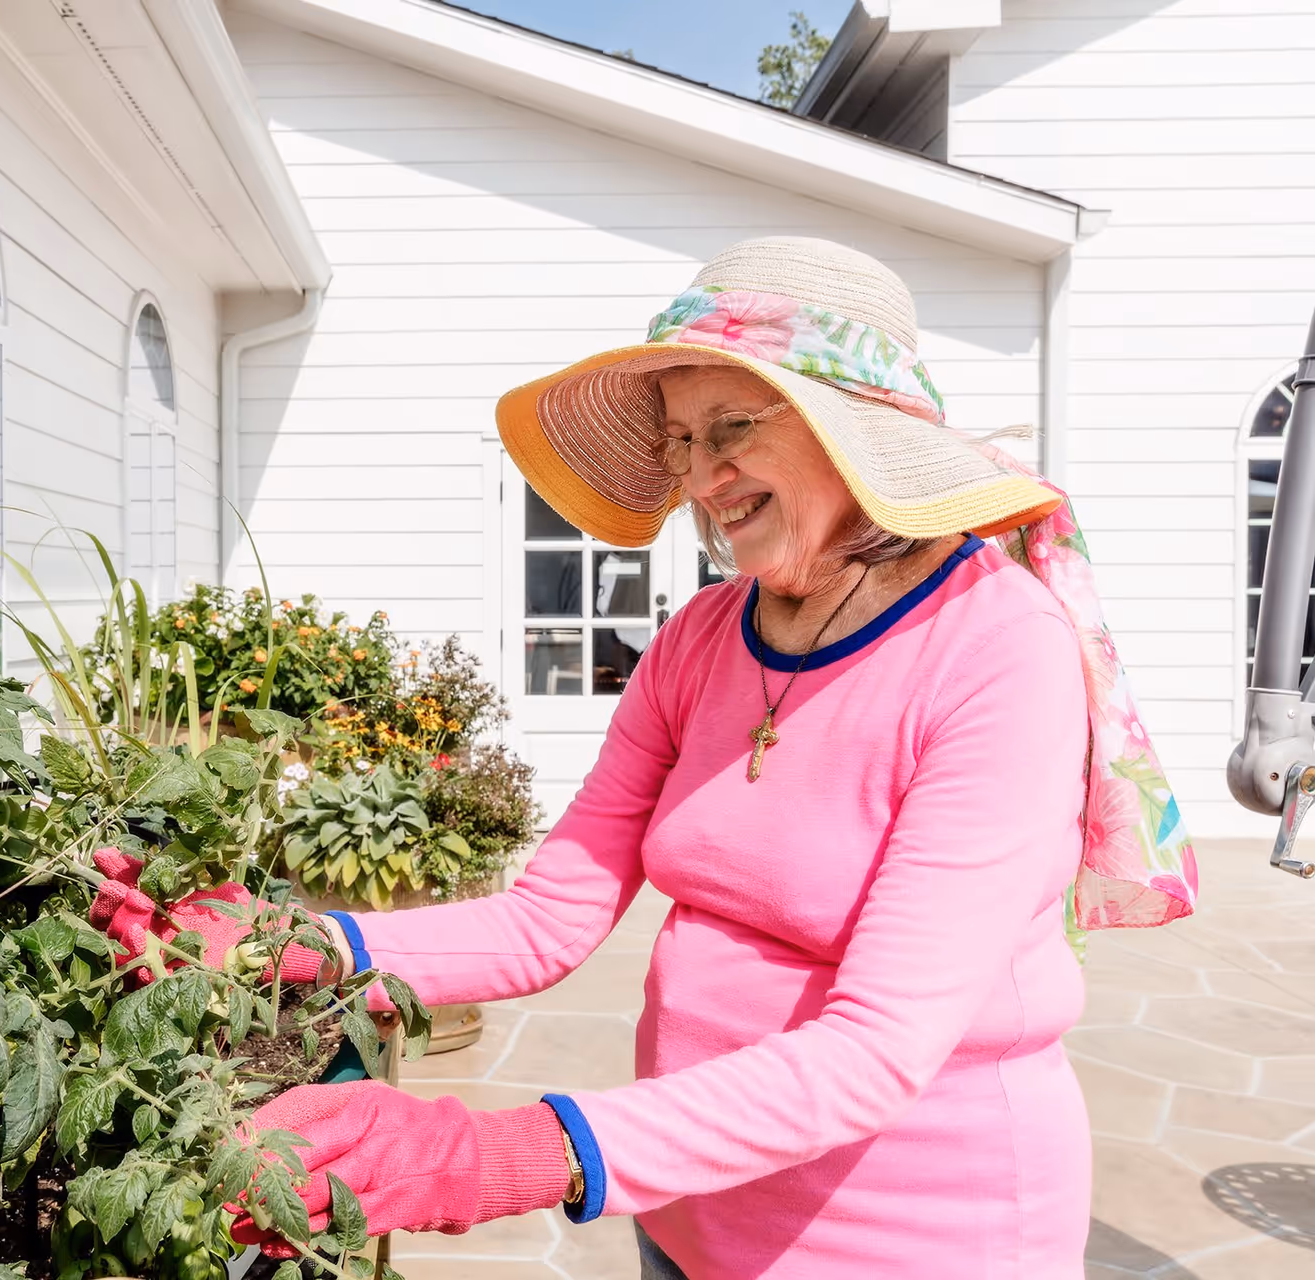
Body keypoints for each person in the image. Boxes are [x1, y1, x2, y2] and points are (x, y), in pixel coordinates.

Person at [91, 237, 1185, 1278]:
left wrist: (507, 1151)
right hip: (683, 1205)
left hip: (915, 1233)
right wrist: (294, 944)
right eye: (681, 438)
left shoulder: (996, 651)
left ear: (850, 426)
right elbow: (548, 916)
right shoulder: (703, 640)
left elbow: (874, 1049)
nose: (701, 476)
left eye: (732, 426)